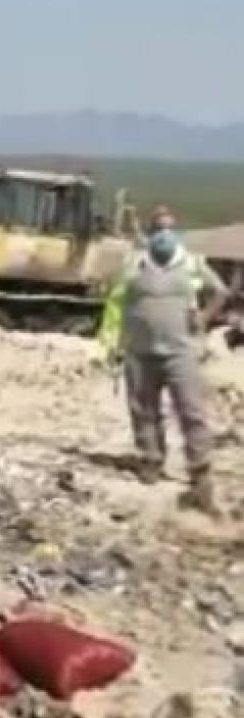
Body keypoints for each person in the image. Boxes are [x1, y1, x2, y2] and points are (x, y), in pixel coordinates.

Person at [99, 206, 226, 510]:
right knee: (143, 410)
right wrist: (114, 341)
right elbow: (111, 295)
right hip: (139, 351)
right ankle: (151, 461)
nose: (164, 235)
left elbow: (220, 290)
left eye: (169, 228)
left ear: (177, 232)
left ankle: (200, 472)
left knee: (191, 411)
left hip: (180, 352)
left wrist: (204, 318)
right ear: (150, 232)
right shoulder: (134, 263)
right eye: (158, 229)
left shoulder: (192, 262)